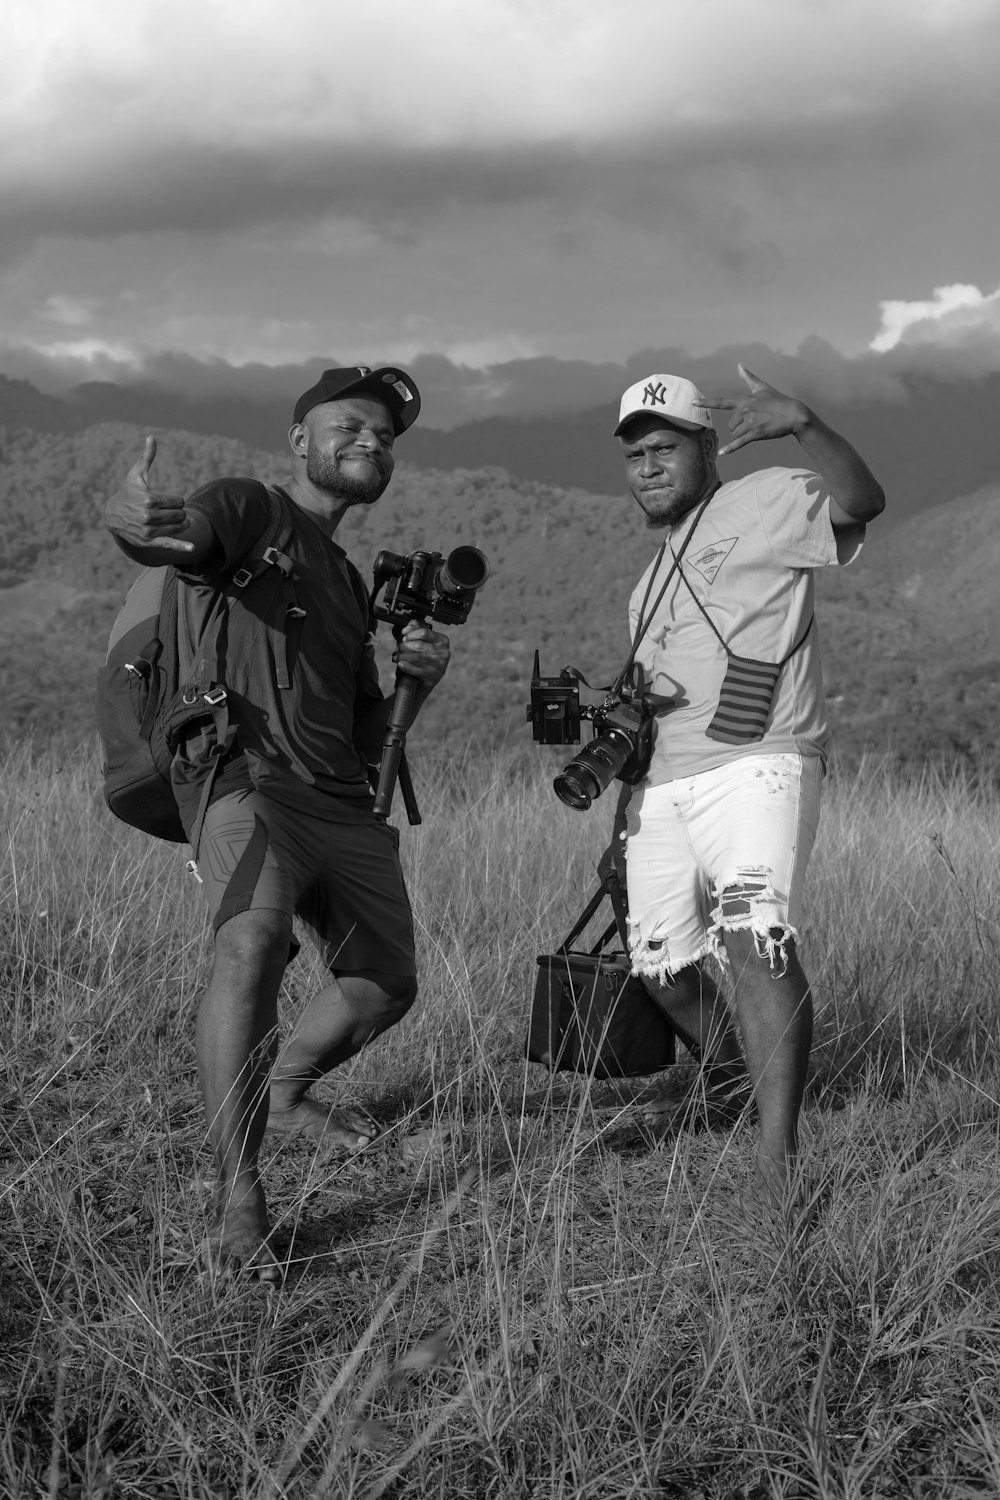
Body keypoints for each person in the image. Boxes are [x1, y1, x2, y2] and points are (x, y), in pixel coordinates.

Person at [103, 365, 450, 1280]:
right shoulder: (251, 508)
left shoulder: (339, 576)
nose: (371, 440)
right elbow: (177, 535)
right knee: (250, 941)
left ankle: (288, 1090)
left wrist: (416, 681)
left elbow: (366, 725)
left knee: (384, 985)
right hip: (241, 773)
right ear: (301, 438)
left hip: (337, 798)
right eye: (350, 424)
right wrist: (136, 522)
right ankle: (239, 1198)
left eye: (384, 434)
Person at [611, 363, 884, 1208]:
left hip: (761, 759)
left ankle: (777, 1155)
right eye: (634, 455)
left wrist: (806, 422)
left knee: (754, 936)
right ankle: (731, 1080)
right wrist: (625, 794)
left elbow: (861, 502)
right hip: (663, 785)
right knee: (658, 963)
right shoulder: (645, 584)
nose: (649, 465)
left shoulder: (766, 498)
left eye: (665, 447)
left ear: (706, 447)